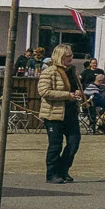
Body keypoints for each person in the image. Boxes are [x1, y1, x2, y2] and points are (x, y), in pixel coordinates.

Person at [39, 43, 83, 184]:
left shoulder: (72, 71)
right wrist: (67, 95)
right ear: (60, 56)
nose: (70, 58)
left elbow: (76, 89)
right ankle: (52, 173)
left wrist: (78, 93)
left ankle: (63, 169)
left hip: (70, 112)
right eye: (67, 56)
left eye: (71, 55)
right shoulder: (49, 72)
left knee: (74, 142)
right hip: (54, 113)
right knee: (55, 145)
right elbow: (44, 91)